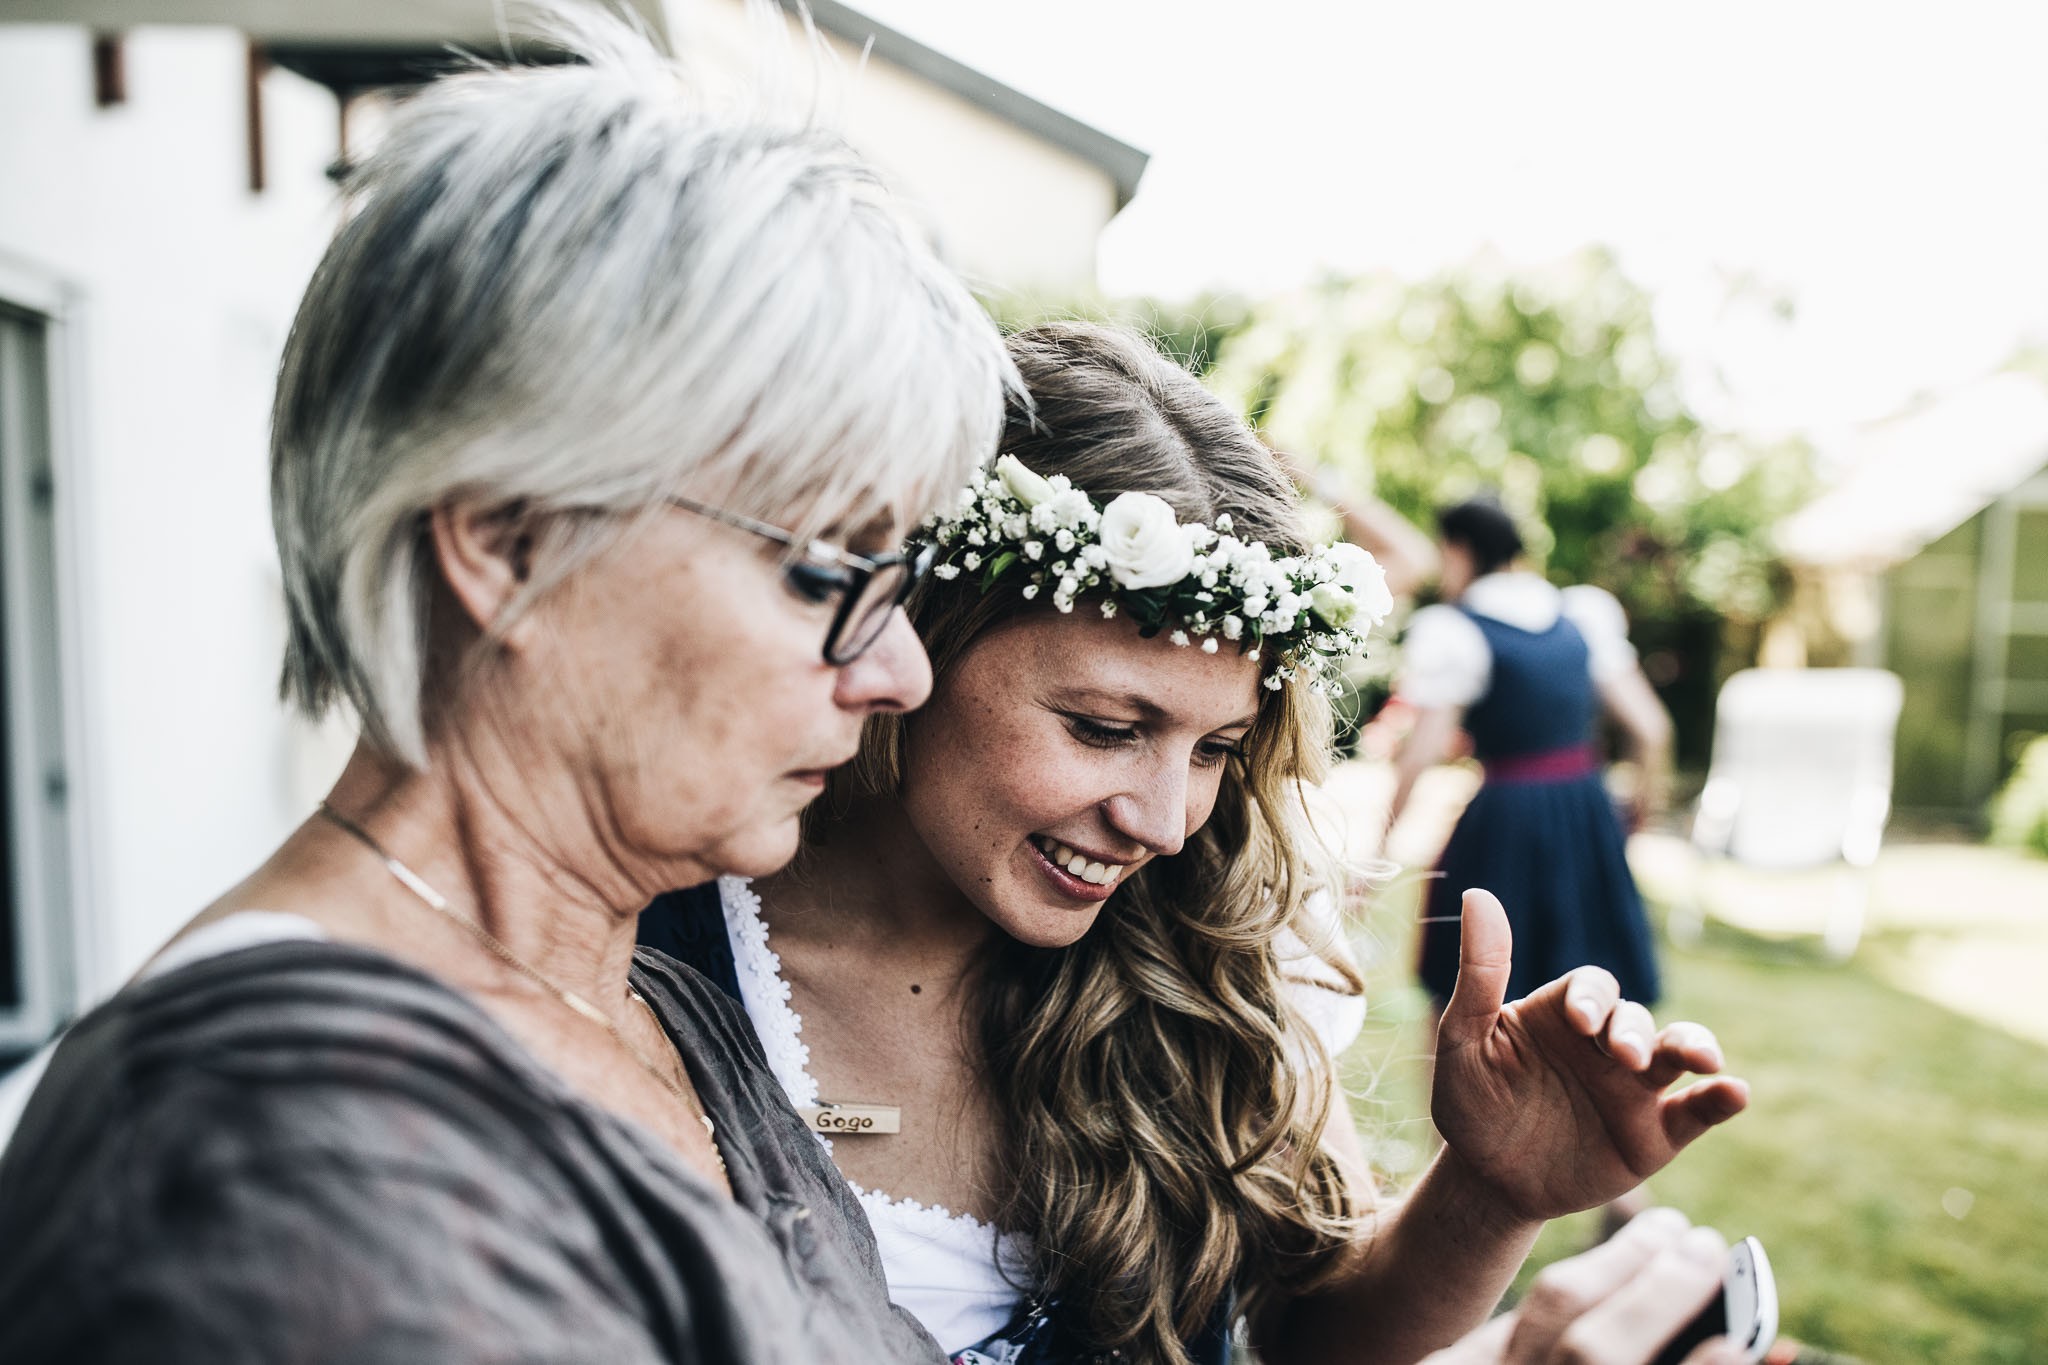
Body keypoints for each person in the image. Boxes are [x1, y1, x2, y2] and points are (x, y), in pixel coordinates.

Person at [0, 15, 1018, 1362]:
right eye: (832, 570)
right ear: (508, 544)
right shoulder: (274, 1146)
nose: (900, 672)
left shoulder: (661, 1010)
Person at [642, 323, 1748, 1365]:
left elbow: (1313, 1325)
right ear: (914, 640)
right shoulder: (633, 942)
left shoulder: (1209, 950)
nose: (1165, 824)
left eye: (1217, 748)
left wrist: (1489, 1196)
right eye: (1103, 729)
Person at [1382, 495, 1673, 1009]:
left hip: (1505, 823)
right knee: (1589, 990)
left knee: (1473, 992)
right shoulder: (1581, 615)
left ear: (1458, 550)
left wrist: (1378, 848)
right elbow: (1652, 730)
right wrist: (1637, 817)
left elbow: (1419, 756)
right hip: (1586, 812)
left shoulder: (1456, 629)